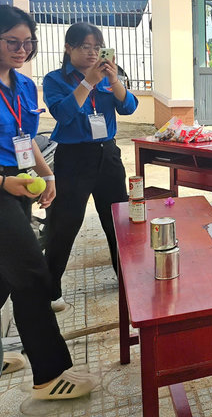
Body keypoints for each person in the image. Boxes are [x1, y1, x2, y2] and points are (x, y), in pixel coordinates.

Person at [0, 5, 98, 400]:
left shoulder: (24, 86)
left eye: (28, 43)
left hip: (18, 183)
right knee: (32, 274)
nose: (22, 50)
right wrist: (2, 182)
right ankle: (50, 375)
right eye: (12, 42)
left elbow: (24, 139)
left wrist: (46, 175)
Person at [42, 23, 138, 312]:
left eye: (97, 47)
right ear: (68, 48)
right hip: (73, 157)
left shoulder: (109, 77)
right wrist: (87, 83)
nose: (93, 52)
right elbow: (63, 114)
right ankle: (49, 290)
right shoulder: (55, 79)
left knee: (118, 220)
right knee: (64, 223)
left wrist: (114, 80)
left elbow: (129, 107)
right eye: (85, 46)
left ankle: (126, 278)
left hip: (107, 155)